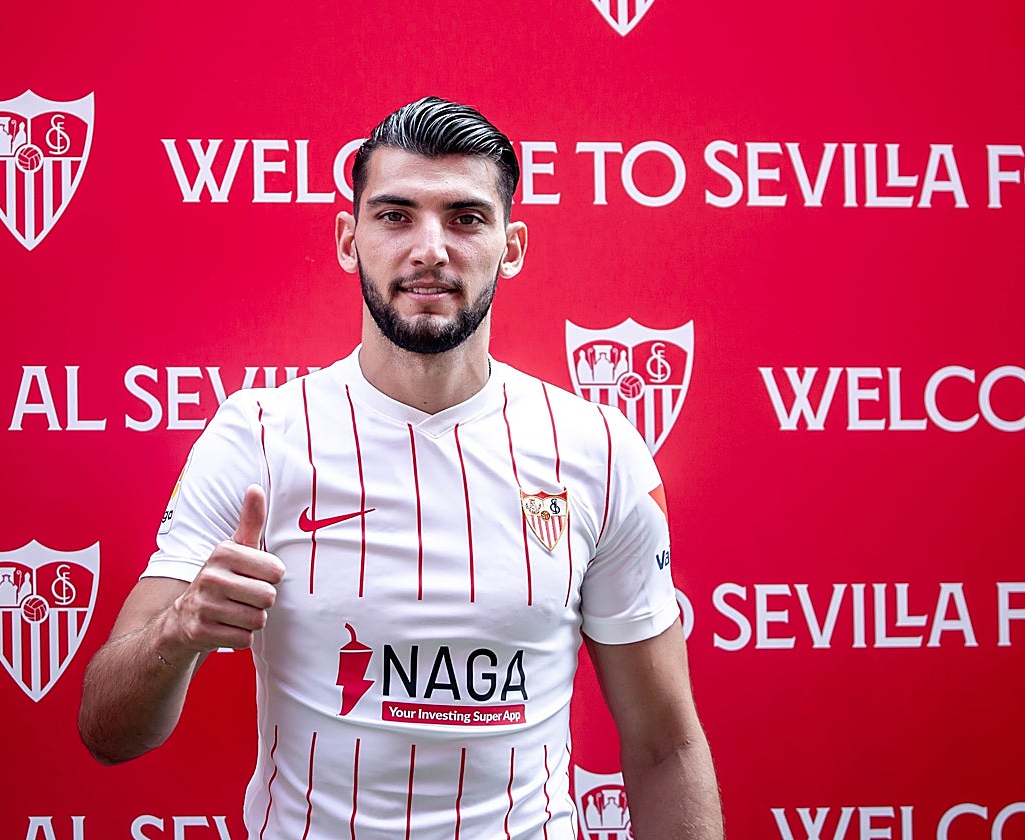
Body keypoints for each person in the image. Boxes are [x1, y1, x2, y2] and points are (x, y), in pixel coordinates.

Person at [78, 96, 723, 840]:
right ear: (348, 241)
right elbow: (107, 730)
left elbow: (666, 746)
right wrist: (179, 632)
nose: (429, 248)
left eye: (464, 218)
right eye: (395, 216)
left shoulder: (597, 448)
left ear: (511, 246)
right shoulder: (257, 436)